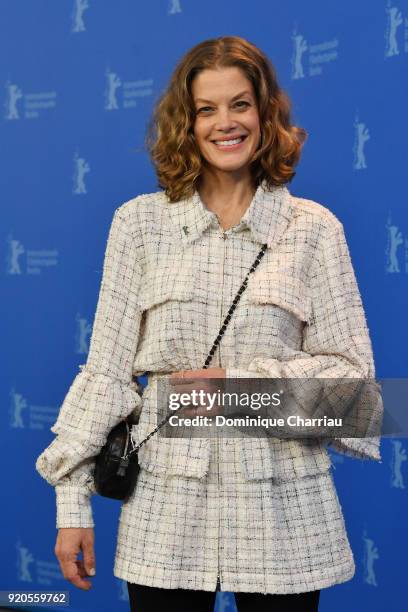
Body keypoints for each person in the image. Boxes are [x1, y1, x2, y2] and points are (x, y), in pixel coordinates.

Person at [35, 36, 383, 612]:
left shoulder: (314, 229)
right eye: (207, 109)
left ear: (265, 113)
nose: (226, 123)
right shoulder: (139, 226)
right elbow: (106, 376)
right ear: (187, 122)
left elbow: (357, 396)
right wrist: (72, 506)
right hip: (166, 505)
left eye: (240, 104)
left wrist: (238, 390)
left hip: (284, 509)